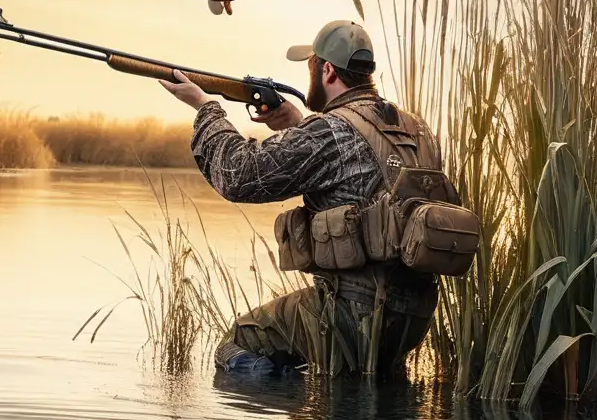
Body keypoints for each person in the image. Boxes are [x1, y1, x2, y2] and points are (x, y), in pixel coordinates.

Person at [159, 19, 441, 377]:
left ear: (326, 70)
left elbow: (238, 175)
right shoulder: (416, 128)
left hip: (352, 314)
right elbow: (359, 169)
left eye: (310, 66)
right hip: (413, 317)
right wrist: (298, 123)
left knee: (239, 342)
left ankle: (298, 411)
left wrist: (206, 109)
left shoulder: (329, 131)